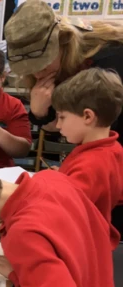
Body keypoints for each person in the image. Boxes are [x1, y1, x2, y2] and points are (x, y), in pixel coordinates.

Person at [5, 0, 123, 139]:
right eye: (29, 68)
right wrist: (39, 112)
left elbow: (105, 128)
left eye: (43, 64)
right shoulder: (52, 71)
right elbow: (58, 127)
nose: (37, 73)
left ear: (63, 41)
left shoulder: (109, 57)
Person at [52, 68, 123, 250]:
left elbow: (63, 212)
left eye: (62, 117)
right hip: (93, 239)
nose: (58, 125)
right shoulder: (113, 148)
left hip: (78, 245)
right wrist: (64, 178)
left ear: (87, 116)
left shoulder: (91, 163)